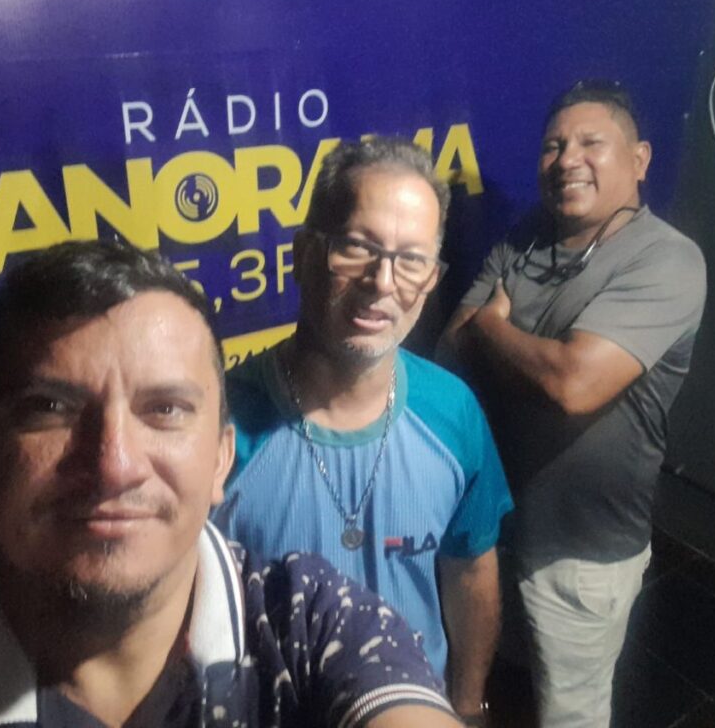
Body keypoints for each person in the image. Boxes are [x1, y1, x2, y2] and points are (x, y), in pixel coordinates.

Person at [0, 241, 463, 728]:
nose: (115, 464)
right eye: (49, 408)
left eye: (166, 409)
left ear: (221, 461)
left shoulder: (310, 622)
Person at [211, 138, 513, 725]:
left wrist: (469, 702)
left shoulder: (451, 411)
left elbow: (470, 569)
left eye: (412, 260)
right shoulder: (221, 424)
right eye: (357, 247)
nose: (382, 281)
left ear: (432, 279)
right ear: (304, 253)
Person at [438, 81, 707, 727]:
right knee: (500, 683)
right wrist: (503, 343)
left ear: (639, 159)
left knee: (570, 711)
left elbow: (572, 385)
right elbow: (450, 348)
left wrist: (494, 326)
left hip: (581, 554)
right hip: (493, 527)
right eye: (553, 146)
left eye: (591, 143)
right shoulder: (528, 236)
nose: (566, 160)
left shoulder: (667, 260)